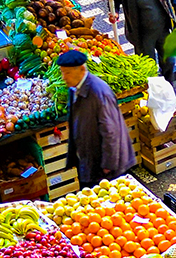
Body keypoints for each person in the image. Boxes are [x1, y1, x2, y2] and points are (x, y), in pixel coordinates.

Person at [57, 50, 136, 188]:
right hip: (88, 159)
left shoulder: (99, 92)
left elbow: (111, 130)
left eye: (67, 73)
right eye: (62, 72)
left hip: (106, 167)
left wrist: (108, 165)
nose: (64, 77)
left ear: (81, 69)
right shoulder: (74, 89)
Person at [109, 0, 176, 83]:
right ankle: (152, 93)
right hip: (142, 34)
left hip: (163, 28)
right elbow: (114, 0)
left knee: (170, 61)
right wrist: (115, 12)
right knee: (148, 67)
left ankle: (168, 87)